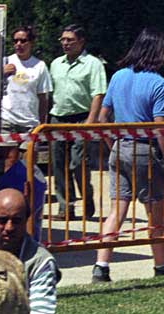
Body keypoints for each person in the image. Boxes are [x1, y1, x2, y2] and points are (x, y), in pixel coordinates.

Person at [91, 28, 164, 283]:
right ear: (157, 52)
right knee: (155, 212)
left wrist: (113, 144)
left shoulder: (118, 76)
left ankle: (101, 266)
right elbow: (160, 128)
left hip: (120, 148)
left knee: (116, 210)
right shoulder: (158, 83)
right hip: (145, 149)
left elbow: (101, 117)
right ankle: (161, 265)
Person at [49, 24, 107, 220]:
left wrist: (90, 123)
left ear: (81, 41)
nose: (65, 43)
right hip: (59, 118)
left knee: (78, 163)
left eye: (69, 40)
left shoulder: (93, 64)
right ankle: (66, 207)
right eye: (63, 39)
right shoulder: (56, 63)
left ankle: (87, 196)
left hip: (82, 118)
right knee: (59, 164)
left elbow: (98, 94)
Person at [0, 26, 52, 171]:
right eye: (15, 41)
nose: (19, 44)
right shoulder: (5, 61)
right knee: (10, 160)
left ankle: (28, 193)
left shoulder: (40, 66)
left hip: (30, 122)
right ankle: (10, 192)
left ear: (31, 43)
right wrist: (0, 73)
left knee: (29, 163)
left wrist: (42, 124)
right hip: (8, 119)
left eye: (23, 41)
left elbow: (43, 98)